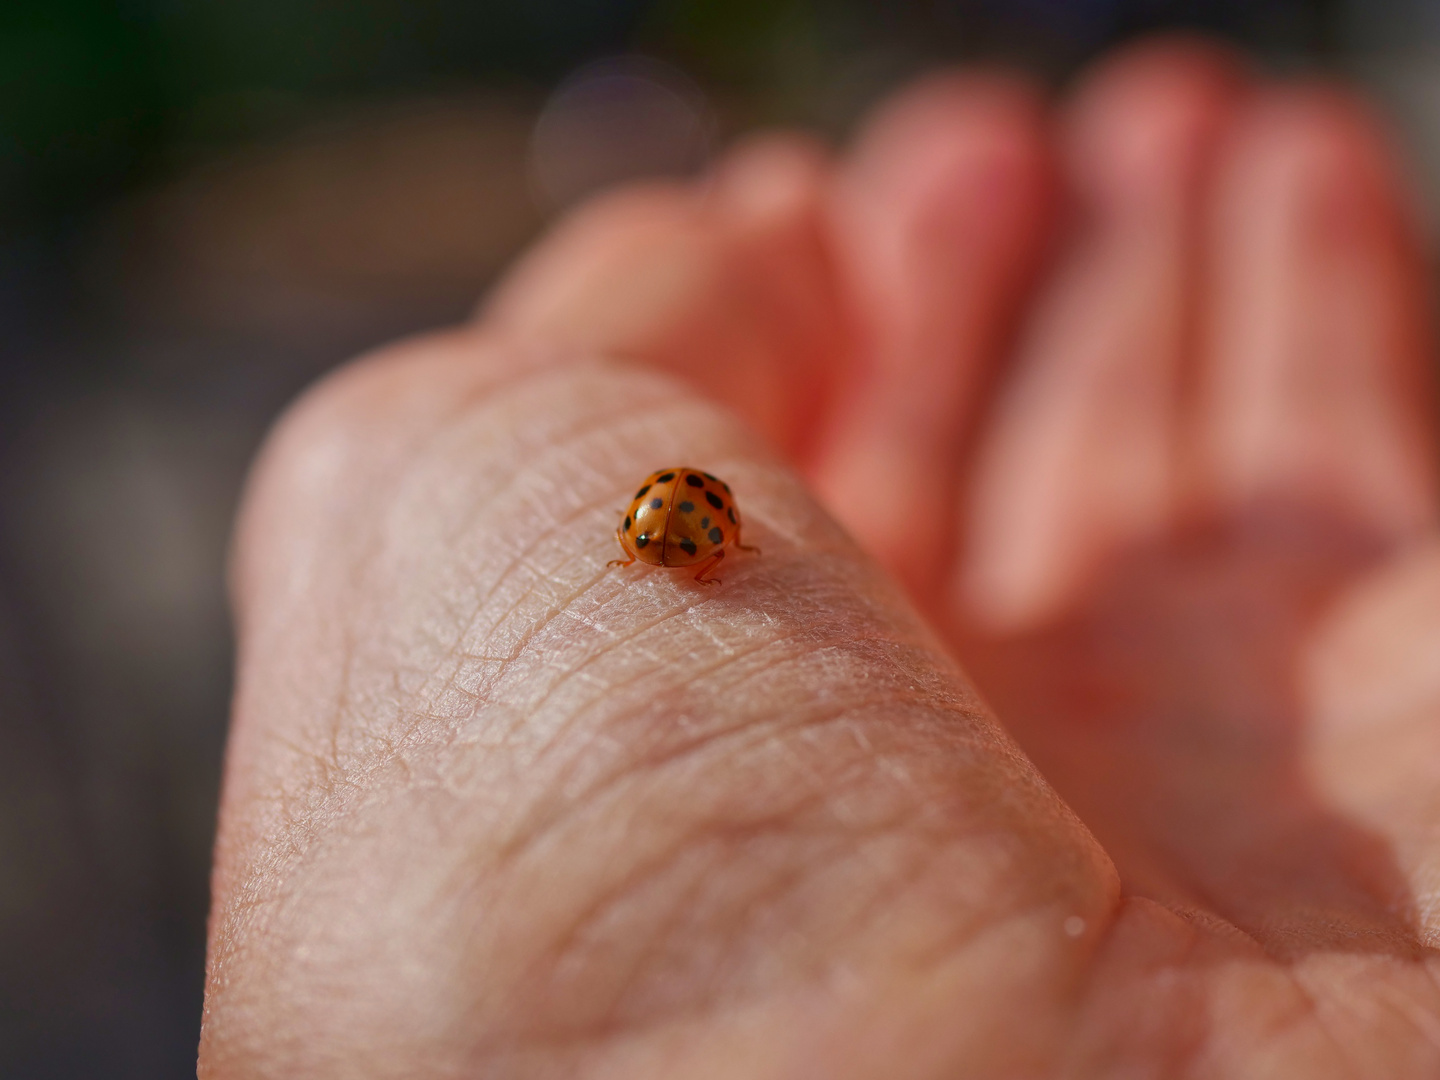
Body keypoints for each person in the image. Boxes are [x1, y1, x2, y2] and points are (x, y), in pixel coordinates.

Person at [197, 37, 1440, 1077]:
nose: (685, 544)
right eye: (685, 537)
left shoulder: (688, 523)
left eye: (691, 538)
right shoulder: (680, 531)